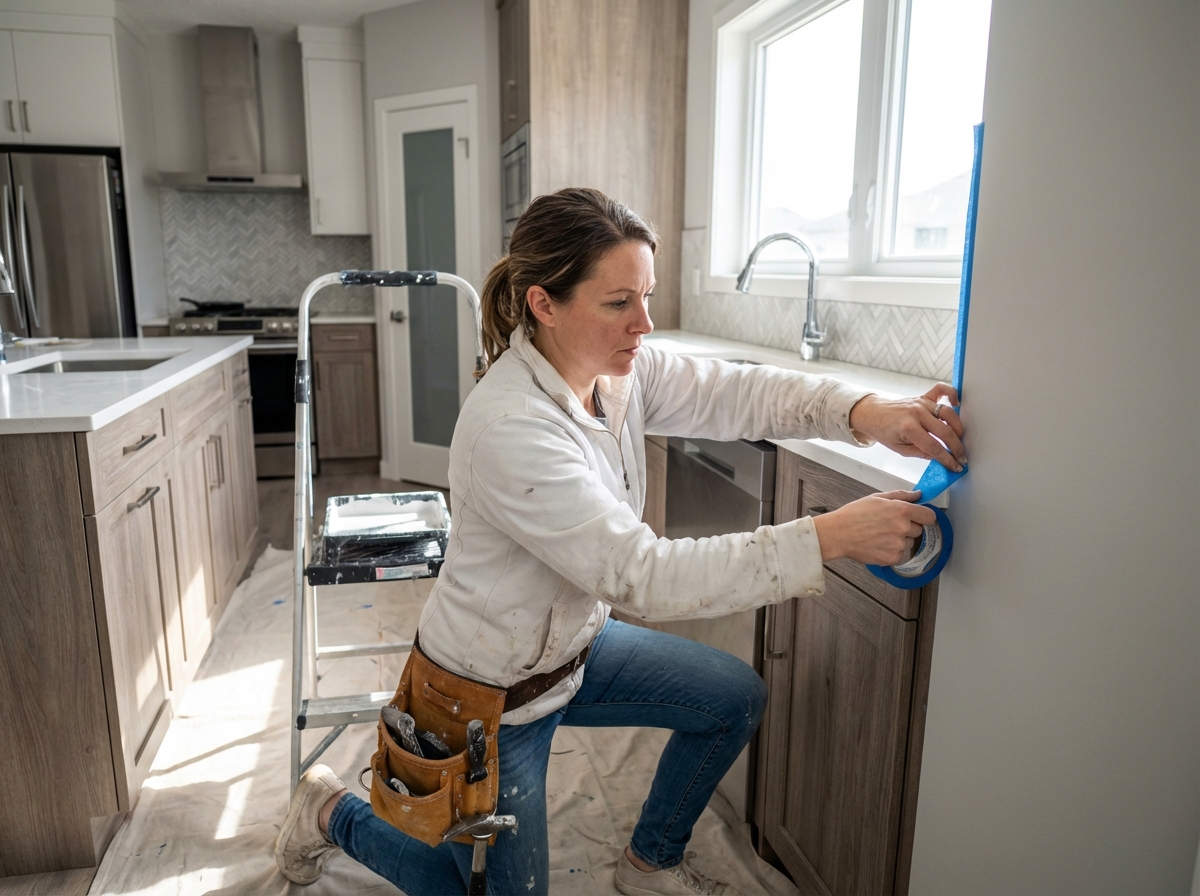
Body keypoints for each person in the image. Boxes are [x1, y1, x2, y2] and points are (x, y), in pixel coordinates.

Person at [274, 188, 967, 895]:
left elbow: (739, 392)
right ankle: (332, 811)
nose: (645, 322)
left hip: (574, 651)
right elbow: (646, 577)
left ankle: (649, 864)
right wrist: (827, 536)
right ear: (544, 304)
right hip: (489, 699)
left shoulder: (614, 377)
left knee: (730, 698)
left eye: (646, 295)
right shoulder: (511, 426)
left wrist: (863, 411)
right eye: (619, 302)